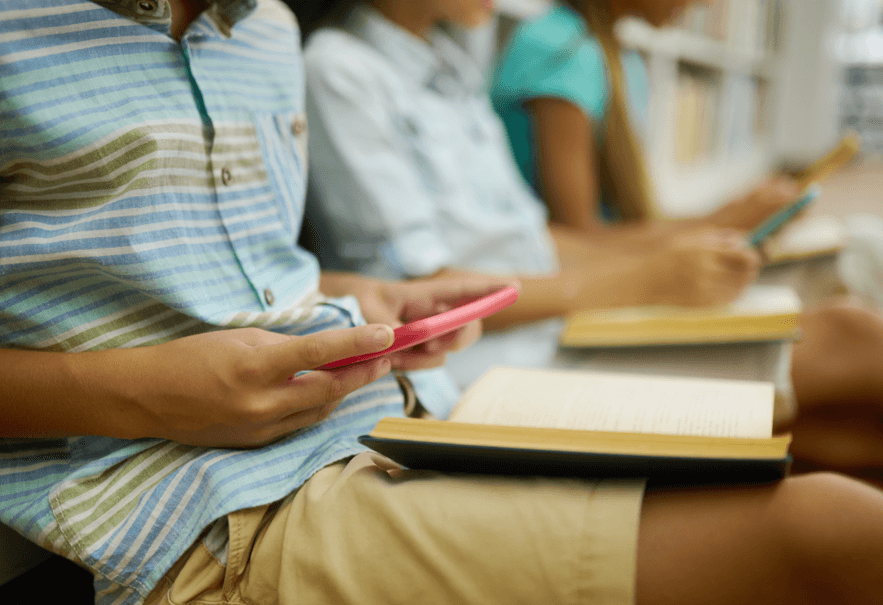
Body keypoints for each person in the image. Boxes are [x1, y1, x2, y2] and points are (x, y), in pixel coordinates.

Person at [4, 2, 883, 605]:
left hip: (403, 407)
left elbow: (251, 274)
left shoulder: (267, 30)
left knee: (842, 385)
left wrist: (366, 294)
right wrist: (142, 392)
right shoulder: (339, 64)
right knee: (831, 528)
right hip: (204, 502)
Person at [490, 0, 800, 240]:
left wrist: (731, 219)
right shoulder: (560, 49)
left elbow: (624, 225)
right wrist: (721, 223)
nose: (706, 3)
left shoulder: (622, 60)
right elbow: (578, 240)